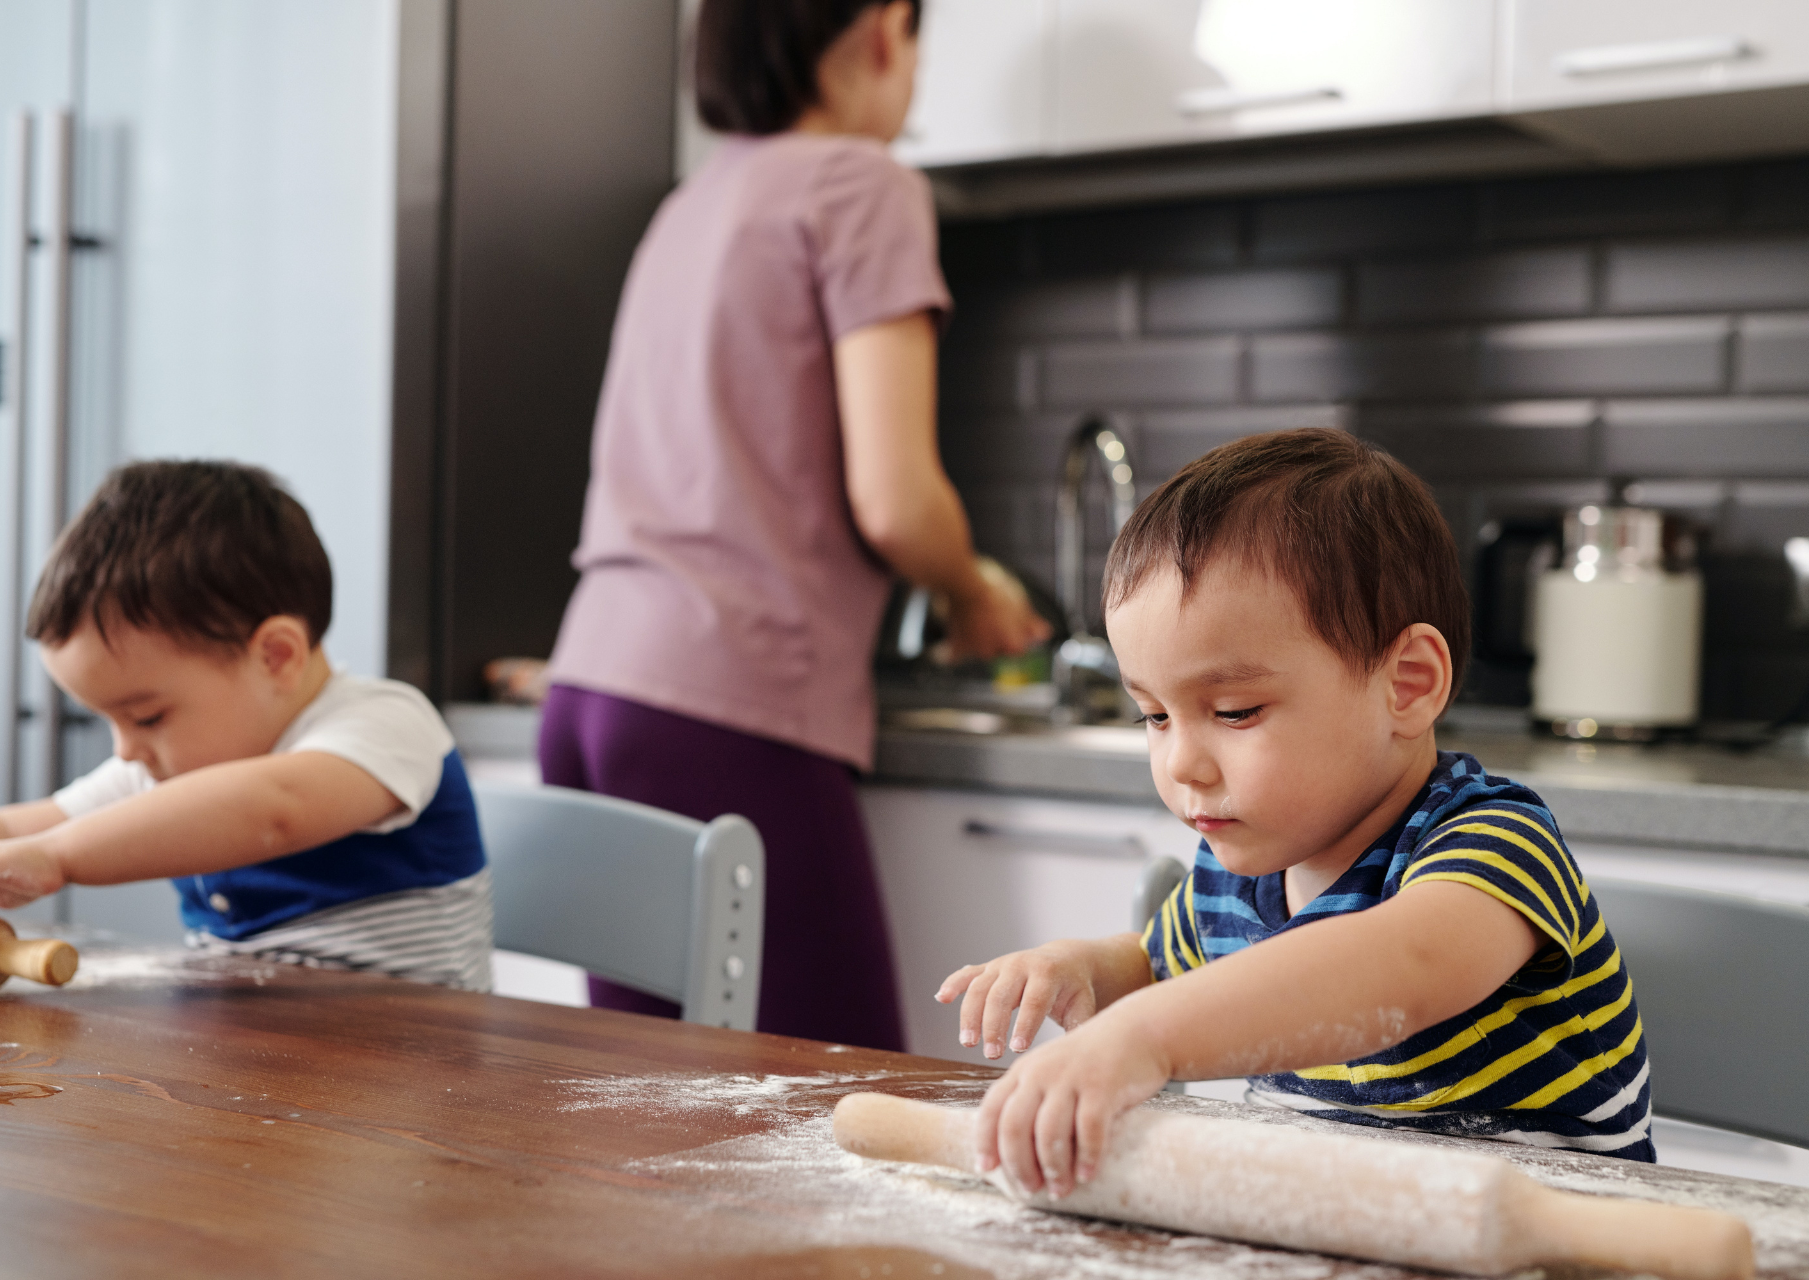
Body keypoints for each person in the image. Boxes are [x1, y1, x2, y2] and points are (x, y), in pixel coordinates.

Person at [939, 429, 1654, 1201]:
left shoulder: (1495, 845)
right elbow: (1156, 968)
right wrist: (1079, 971)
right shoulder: (1234, 874)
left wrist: (1144, 1037)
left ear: (1407, 685)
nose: (1182, 763)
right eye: (1153, 715)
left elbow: (1398, 970)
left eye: (1236, 710)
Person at [539, 0, 1047, 1049]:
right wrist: (970, 590)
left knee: (649, 1115)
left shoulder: (691, 203)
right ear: (879, 30)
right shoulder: (864, 183)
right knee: (838, 1101)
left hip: (589, 690)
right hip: (728, 704)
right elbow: (897, 497)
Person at [0, 460, 492, 990]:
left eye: (147, 716)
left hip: (416, 1075)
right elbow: (13, 825)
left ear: (276, 656)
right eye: (109, 720)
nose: (126, 750)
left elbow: (273, 810)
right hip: (253, 1061)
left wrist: (58, 858)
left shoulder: (386, 725)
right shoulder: (170, 762)